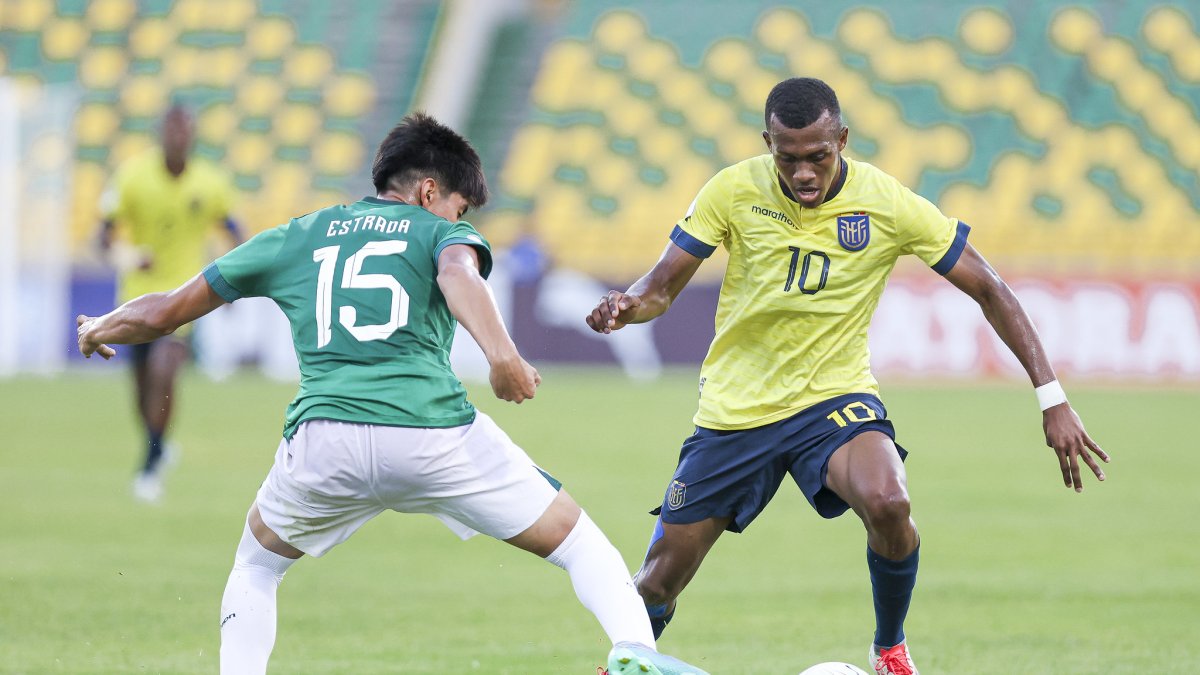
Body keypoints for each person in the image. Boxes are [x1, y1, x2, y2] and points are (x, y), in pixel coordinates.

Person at [77, 113, 706, 675]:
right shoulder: (437, 235)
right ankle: (633, 654)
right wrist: (502, 356)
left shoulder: (300, 233)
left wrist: (102, 326)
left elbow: (167, 309)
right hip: (431, 433)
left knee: (256, 567)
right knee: (578, 543)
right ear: (431, 191)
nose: (459, 222)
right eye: (460, 209)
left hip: (324, 441)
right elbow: (459, 274)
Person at [585, 78, 1110, 675]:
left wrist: (1052, 397)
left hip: (832, 399)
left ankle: (889, 649)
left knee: (889, 501)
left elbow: (989, 287)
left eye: (818, 156)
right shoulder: (732, 190)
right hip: (737, 410)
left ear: (842, 140)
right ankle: (624, 663)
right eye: (788, 159)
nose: (804, 173)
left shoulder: (885, 202)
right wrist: (625, 306)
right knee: (656, 584)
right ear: (768, 144)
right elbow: (658, 290)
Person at [99, 103, 243, 502]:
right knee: (142, 384)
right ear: (161, 134)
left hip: (183, 296)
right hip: (136, 296)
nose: (180, 138)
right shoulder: (132, 177)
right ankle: (157, 442)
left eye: (186, 131)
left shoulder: (211, 182)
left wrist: (236, 280)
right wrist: (128, 256)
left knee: (166, 367)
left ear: (193, 136)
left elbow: (235, 231)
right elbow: (104, 236)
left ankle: (149, 465)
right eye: (173, 130)